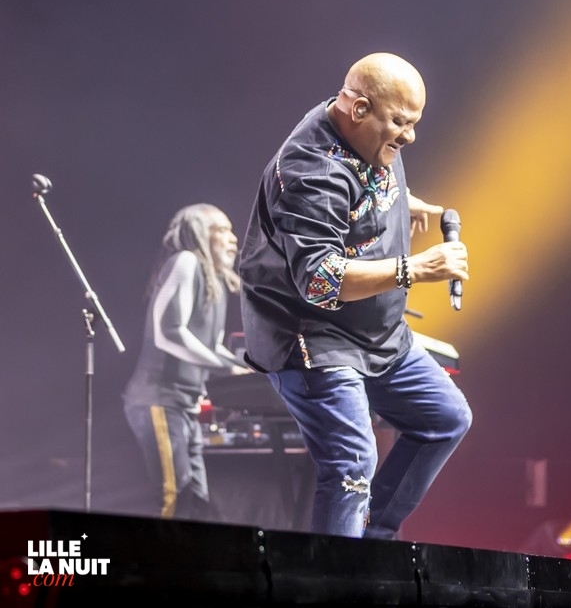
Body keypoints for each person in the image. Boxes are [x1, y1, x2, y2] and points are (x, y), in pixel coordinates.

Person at [237, 52, 473, 539]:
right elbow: (320, 280)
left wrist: (404, 201)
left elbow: (365, 184)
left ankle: (372, 543)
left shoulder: (365, 127)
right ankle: (338, 582)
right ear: (360, 109)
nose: (409, 137)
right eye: (401, 124)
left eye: (414, 124)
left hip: (377, 333)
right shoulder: (310, 171)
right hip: (312, 336)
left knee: (446, 418)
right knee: (352, 462)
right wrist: (417, 268)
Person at [123, 203, 251, 520]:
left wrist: (248, 372)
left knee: (197, 502)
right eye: (222, 230)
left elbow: (213, 347)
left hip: (183, 406)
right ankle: (165, 568)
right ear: (197, 232)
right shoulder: (185, 262)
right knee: (174, 498)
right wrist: (228, 368)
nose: (233, 238)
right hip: (158, 399)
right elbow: (168, 332)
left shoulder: (215, 282)